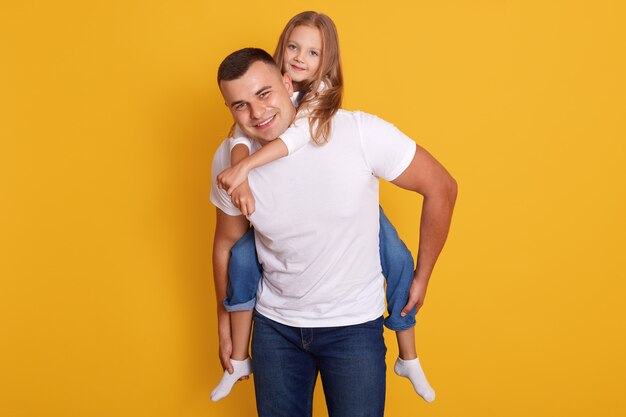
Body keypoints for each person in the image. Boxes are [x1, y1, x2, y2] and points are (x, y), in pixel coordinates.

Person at [210, 46, 457, 417]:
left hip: (353, 328)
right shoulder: (230, 159)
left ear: (287, 81)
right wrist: (223, 320)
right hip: (274, 330)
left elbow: (442, 186)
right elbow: (227, 243)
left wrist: (422, 275)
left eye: (264, 94)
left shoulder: (356, 131)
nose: (257, 113)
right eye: (240, 105)